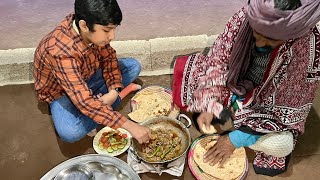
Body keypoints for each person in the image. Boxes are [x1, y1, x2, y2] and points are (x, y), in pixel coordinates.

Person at [172, 0, 320, 176]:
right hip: (237, 83)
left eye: (270, 41)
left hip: (269, 103)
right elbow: (219, 57)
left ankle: (243, 123)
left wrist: (234, 140)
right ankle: (237, 111)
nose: (259, 45)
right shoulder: (247, 16)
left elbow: (288, 105)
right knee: (193, 75)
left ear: (290, 35)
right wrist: (209, 101)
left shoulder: (306, 45)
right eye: (257, 34)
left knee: (282, 145)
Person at [33, 0, 151, 144]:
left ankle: (102, 104)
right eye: (107, 30)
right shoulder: (61, 52)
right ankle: (105, 103)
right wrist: (130, 126)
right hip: (62, 92)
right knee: (70, 133)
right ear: (84, 25)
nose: (112, 36)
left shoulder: (91, 27)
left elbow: (109, 59)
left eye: (114, 29)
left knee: (133, 66)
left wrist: (113, 92)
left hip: (87, 76)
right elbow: (84, 101)